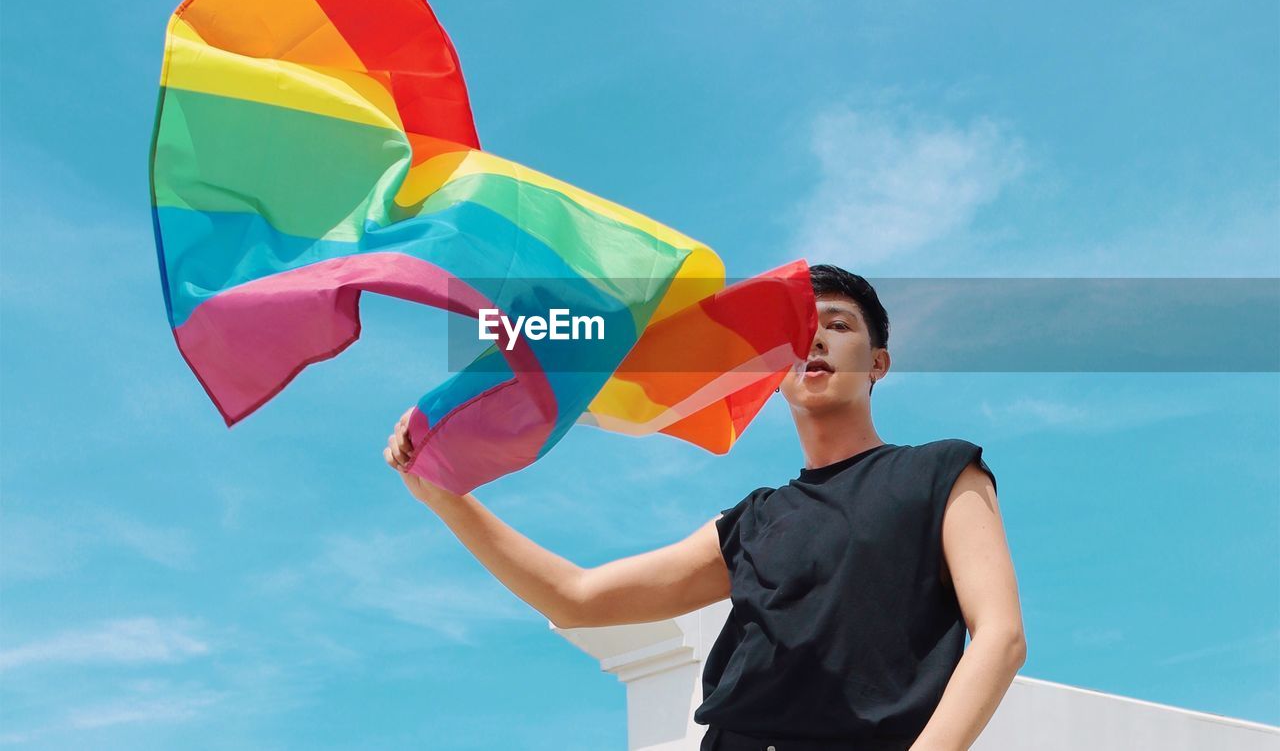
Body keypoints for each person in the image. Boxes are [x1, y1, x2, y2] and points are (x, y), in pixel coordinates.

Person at [383, 265, 1025, 751]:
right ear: (773, 370)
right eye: (800, 331)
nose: (817, 341)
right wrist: (444, 494)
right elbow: (577, 596)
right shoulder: (752, 522)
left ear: (878, 363)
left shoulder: (940, 471)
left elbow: (1000, 637)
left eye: (838, 325)